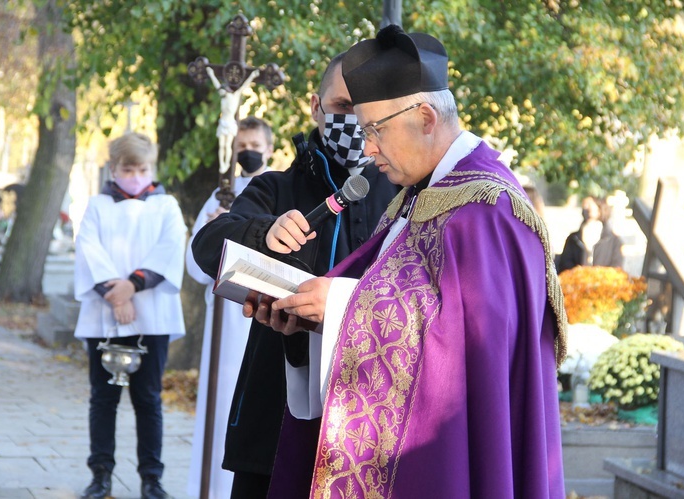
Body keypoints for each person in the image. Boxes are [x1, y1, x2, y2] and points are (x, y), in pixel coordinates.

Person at [257, 25, 568, 498]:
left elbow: (470, 350)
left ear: (425, 116)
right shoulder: (414, 201)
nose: (367, 149)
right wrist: (307, 324)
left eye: (374, 130)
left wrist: (339, 306)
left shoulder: (486, 210)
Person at [191, 52, 400, 498]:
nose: (356, 119)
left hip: (371, 414)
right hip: (275, 411)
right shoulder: (276, 187)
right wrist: (265, 231)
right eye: (343, 106)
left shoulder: (407, 195)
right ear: (315, 106)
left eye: (367, 109)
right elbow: (209, 245)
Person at [74, 132, 187, 499]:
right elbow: (88, 248)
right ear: (114, 168)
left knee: (148, 398)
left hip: (151, 313)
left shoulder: (166, 205)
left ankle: (151, 478)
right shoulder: (97, 205)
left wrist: (133, 286)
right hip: (105, 312)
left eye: (142, 168)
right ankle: (101, 474)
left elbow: (171, 246)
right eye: (128, 168)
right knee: (103, 398)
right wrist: (115, 294)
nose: (136, 175)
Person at [185, 116, 275, 499]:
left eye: (254, 145)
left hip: (258, 318)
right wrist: (214, 232)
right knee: (217, 405)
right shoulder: (221, 195)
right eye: (241, 147)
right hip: (222, 321)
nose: (248, 153)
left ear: (269, 148)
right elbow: (193, 262)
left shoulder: (275, 189)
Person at [206, 66, 261, 175]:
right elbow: (217, 85)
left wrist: (252, 76)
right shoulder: (223, 97)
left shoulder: (235, 96)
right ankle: (222, 164)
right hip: (223, 122)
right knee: (221, 145)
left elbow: (244, 85)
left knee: (227, 145)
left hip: (230, 123)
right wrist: (211, 74)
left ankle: (227, 163)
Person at [556, 195, 624, 273]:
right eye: (584, 205)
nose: (586, 208)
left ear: (600, 208)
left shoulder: (614, 241)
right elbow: (565, 265)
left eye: (589, 205)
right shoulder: (573, 239)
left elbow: (616, 268)